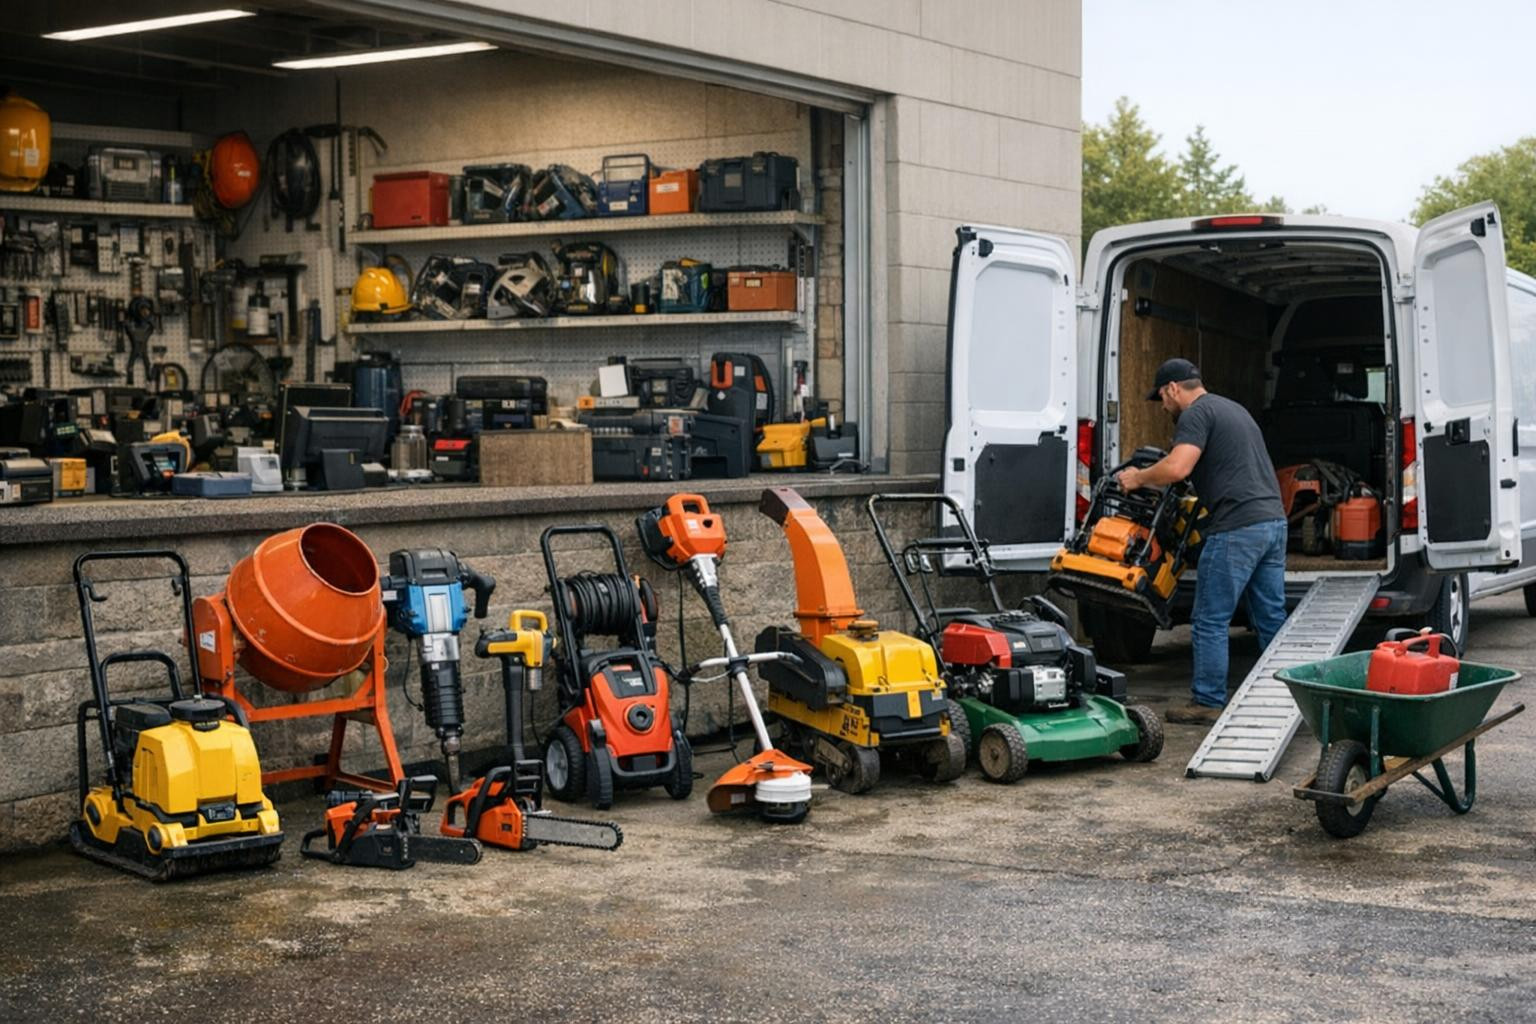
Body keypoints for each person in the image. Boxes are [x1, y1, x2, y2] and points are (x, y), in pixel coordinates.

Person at [1116, 358, 1288, 725]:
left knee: (1210, 617)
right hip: (1272, 522)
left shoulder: (1195, 414)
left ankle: (1208, 700)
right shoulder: (1233, 410)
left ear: (1172, 389)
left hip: (1237, 527)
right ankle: (1288, 694)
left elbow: (1178, 468)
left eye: (1162, 399)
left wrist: (1138, 478)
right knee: (1270, 616)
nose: (1163, 407)